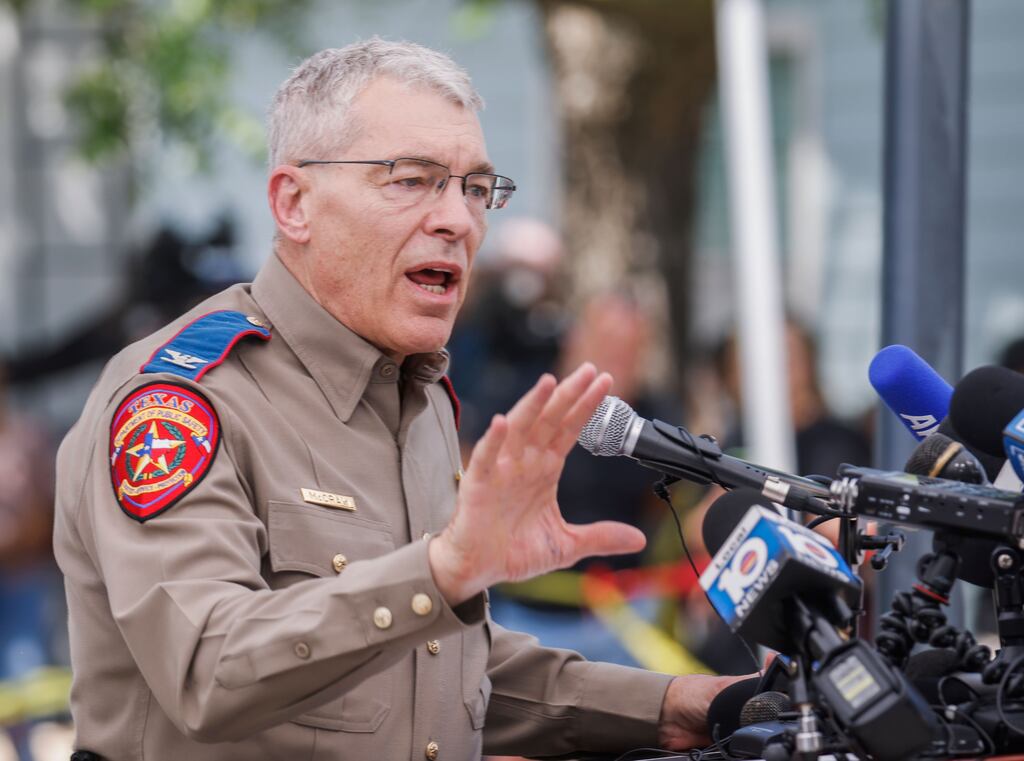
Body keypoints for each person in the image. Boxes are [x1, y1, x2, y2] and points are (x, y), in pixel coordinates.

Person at [54, 40, 740, 761]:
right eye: (412, 180)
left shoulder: (419, 396)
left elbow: (432, 666)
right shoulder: (181, 401)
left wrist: (671, 704)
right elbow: (208, 668)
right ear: (294, 203)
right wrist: (443, 571)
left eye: (476, 188)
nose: (459, 219)